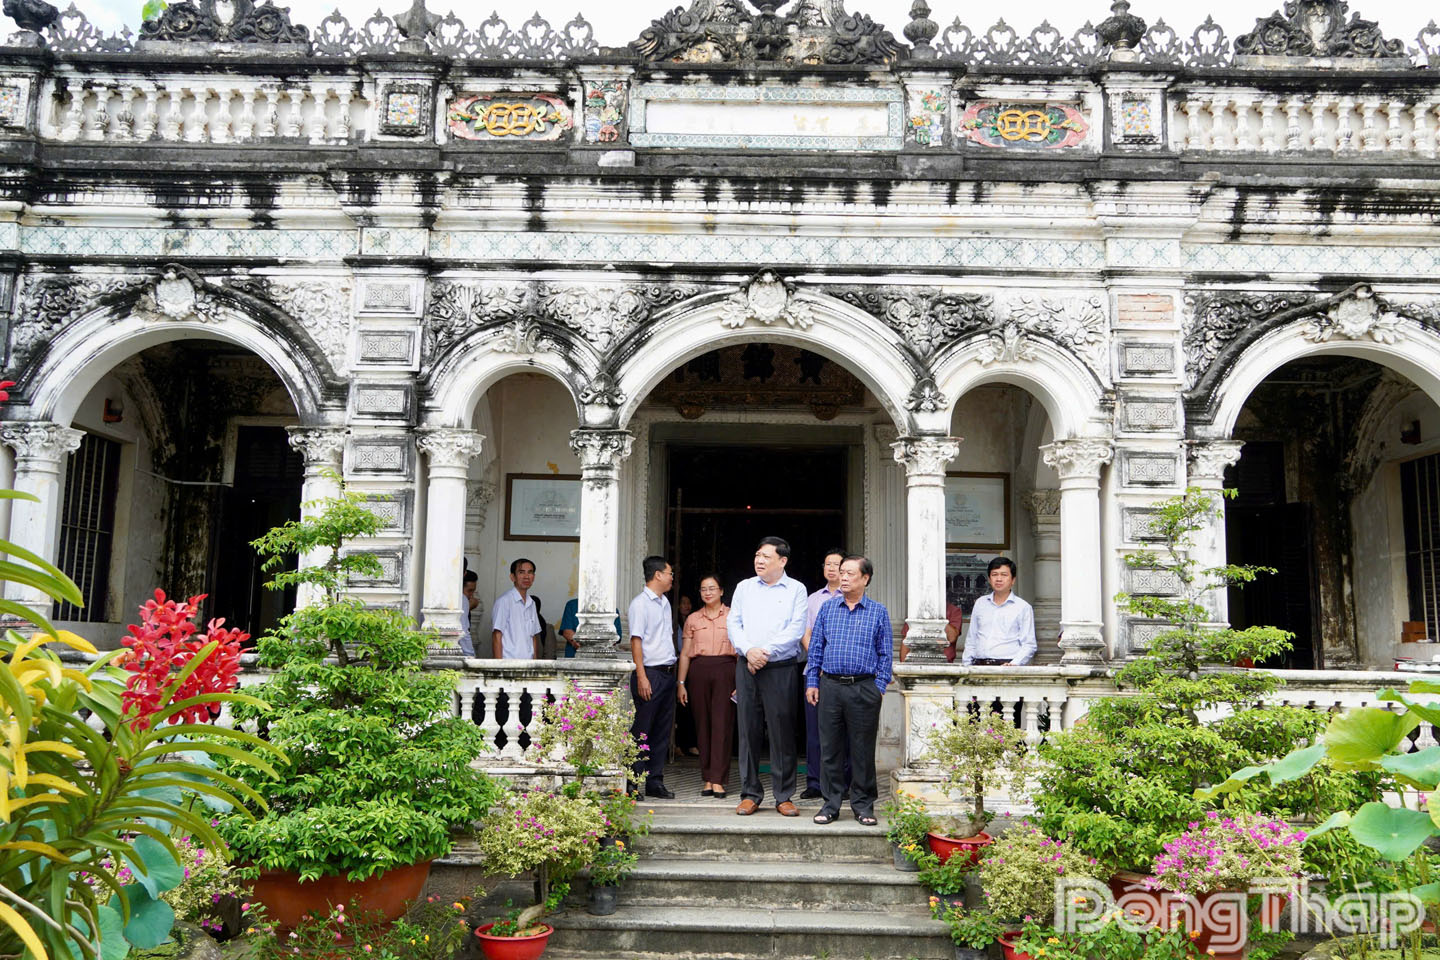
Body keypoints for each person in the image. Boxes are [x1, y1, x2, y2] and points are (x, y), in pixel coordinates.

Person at [805, 555, 892, 826]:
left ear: (865, 578)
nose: (843, 577)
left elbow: (886, 653)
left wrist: (879, 687)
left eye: (850, 573)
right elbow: (816, 648)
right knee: (830, 749)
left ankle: (863, 805)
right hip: (830, 686)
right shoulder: (828, 608)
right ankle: (830, 804)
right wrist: (812, 682)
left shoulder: (878, 611)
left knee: (862, 751)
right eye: (842, 572)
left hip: (864, 687)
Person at [728, 536, 807, 817]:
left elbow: (796, 629)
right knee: (748, 730)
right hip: (747, 665)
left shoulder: (797, 589)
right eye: (757, 555)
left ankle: (784, 796)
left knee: (782, 731)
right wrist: (749, 651)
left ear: (782, 561)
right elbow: (734, 623)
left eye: (766, 557)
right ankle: (750, 794)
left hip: (780, 667)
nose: (759, 561)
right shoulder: (744, 587)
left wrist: (764, 652)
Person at [677, 575, 736, 798]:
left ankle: (719, 779)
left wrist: (741, 683)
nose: (708, 593)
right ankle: (708, 779)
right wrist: (681, 683)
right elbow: (685, 654)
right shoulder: (693, 619)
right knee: (702, 725)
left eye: (712, 588)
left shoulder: (733, 616)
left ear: (721, 591)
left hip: (726, 670)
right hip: (699, 671)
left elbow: (741, 652)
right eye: (703, 589)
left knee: (722, 725)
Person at [628, 555, 677, 799]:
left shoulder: (664, 602)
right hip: (649, 673)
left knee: (661, 731)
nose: (672, 577)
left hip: (667, 673)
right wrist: (641, 676)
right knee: (642, 731)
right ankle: (632, 782)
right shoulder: (640, 604)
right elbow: (635, 640)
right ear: (658, 574)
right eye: (669, 573)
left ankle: (655, 781)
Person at [800, 548, 846, 800]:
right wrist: (819, 659)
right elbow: (805, 633)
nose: (831, 568)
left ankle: (841, 783)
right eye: (827, 564)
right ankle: (815, 782)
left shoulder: (852, 598)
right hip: (815, 673)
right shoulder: (813, 599)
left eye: (836, 564)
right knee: (814, 731)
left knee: (842, 731)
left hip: (842, 674)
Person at [961, 557, 1036, 666]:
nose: (999, 579)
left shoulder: (1023, 607)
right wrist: (966, 664)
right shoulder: (980, 603)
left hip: (1007, 666)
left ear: (1013, 580)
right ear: (989, 579)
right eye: (994, 574)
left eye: (1004, 575)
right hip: (979, 665)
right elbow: (971, 639)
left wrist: (1014, 664)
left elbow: (1029, 644)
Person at [491, 558, 541, 659]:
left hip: (528, 664)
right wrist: (498, 665)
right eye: (521, 572)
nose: (526, 576)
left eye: (530, 572)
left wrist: (534, 663)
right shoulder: (504, 601)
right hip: (509, 663)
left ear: (534, 577)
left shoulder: (532, 603)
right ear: (512, 577)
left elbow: (533, 637)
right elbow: (497, 635)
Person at [672, 594, 700, 756]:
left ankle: (690, 743)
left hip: (691, 667)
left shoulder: (694, 621)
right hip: (677, 666)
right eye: (683, 603)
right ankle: (677, 744)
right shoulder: (674, 623)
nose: (686, 606)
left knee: (690, 706)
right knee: (679, 707)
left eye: (688, 603)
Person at [897, 602, 964, 662]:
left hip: (944, 664)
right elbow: (906, 641)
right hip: (918, 661)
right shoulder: (916, 612)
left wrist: (937, 616)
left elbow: (952, 638)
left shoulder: (954, 611)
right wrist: (904, 666)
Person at [557, 598, 622, 657]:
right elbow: (567, 631)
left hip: (603, 657)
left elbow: (616, 636)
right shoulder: (572, 605)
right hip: (574, 656)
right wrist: (576, 643)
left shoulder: (612, 610)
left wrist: (600, 646)